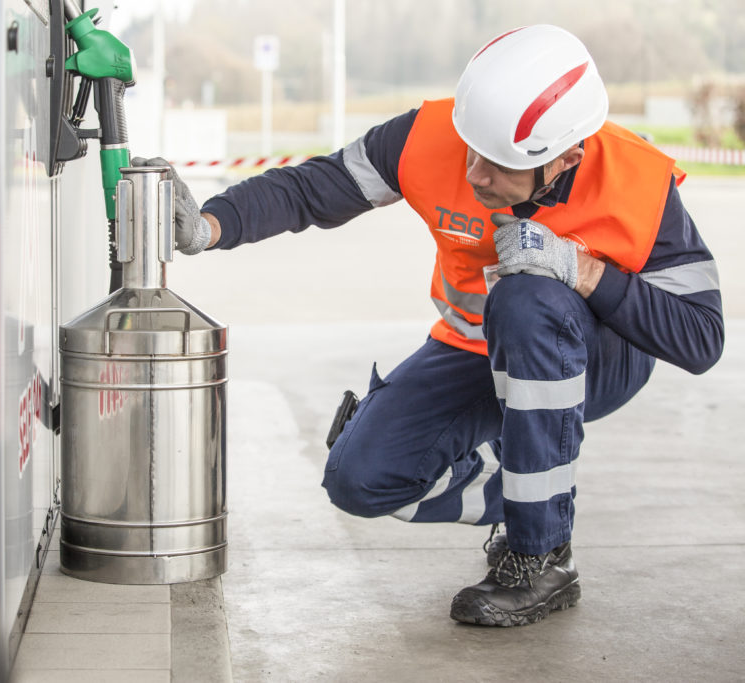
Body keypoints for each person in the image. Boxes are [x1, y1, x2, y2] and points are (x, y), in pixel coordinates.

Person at [136, 24, 724, 627]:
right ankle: (526, 483)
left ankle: (540, 555)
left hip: (597, 359)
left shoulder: (635, 183)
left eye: (498, 164)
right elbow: (315, 187)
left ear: (566, 158)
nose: (474, 174)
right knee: (358, 479)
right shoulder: (429, 135)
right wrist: (210, 225)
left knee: (529, 299)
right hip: (473, 349)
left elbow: (701, 339)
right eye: (472, 148)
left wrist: (582, 270)